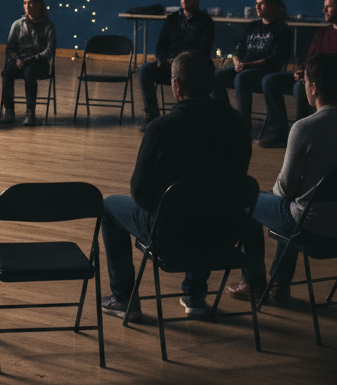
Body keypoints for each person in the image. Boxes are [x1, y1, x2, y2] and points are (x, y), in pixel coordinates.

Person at [99, 51, 252, 320]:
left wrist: (166, 204)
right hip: (225, 232)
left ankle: (124, 298)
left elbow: (139, 192)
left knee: (110, 207)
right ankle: (194, 295)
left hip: (171, 236)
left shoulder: (161, 128)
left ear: (177, 85)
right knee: (208, 198)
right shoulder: (237, 124)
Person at [226, 54, 337, 303]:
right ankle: (277, 285)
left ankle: (253, 283)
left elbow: (284, 189)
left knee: (249, 201)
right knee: (297, 204)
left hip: (314, 229)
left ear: (314, 88)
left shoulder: (306, 128)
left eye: (306, 81)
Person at [260, 0, 337, 146]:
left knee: (299, 88)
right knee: (270, 80)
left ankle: (302, 134)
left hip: (328, 80)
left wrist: (309, 74)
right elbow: (309, 56)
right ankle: (279, 132)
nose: (323, 11)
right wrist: (301, 70)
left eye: (328, 7)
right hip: (310, 74)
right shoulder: (322, 32)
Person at [138, 0, 215, 127]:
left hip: (190, 69)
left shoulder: (206, 22)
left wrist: (180, 62)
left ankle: (189, 116)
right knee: (144, 70)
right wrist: (162, 59)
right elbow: (161, 44)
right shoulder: (172, 19)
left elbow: (203, 51)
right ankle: (152, 114)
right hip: (168, 66)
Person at [210, 0, 290, 130]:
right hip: (244, 67)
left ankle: (244, 125)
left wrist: (249, 65)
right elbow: (238, 50)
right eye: (256, 3)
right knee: (217, 77)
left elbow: (276, 58)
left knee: (242, 78)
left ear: (273, 6)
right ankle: (227, 116)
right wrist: (237, 62)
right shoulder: (253, 26)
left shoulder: (282, 29)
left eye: (262, 3)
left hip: (265, 70)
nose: (257, 7)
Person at [0, 0, 56, 126]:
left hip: (39, 63)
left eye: (30, 3)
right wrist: (17, 59)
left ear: (39, 5)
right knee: (7, 72)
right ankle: (9, 110)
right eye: (25, 3)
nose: (27, 6)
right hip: (20, 61)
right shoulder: (17, 25)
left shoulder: (48, 26)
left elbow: (49, 51)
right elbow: (10, 48)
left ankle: (31, 113)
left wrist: (31, 59)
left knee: (29, 72)